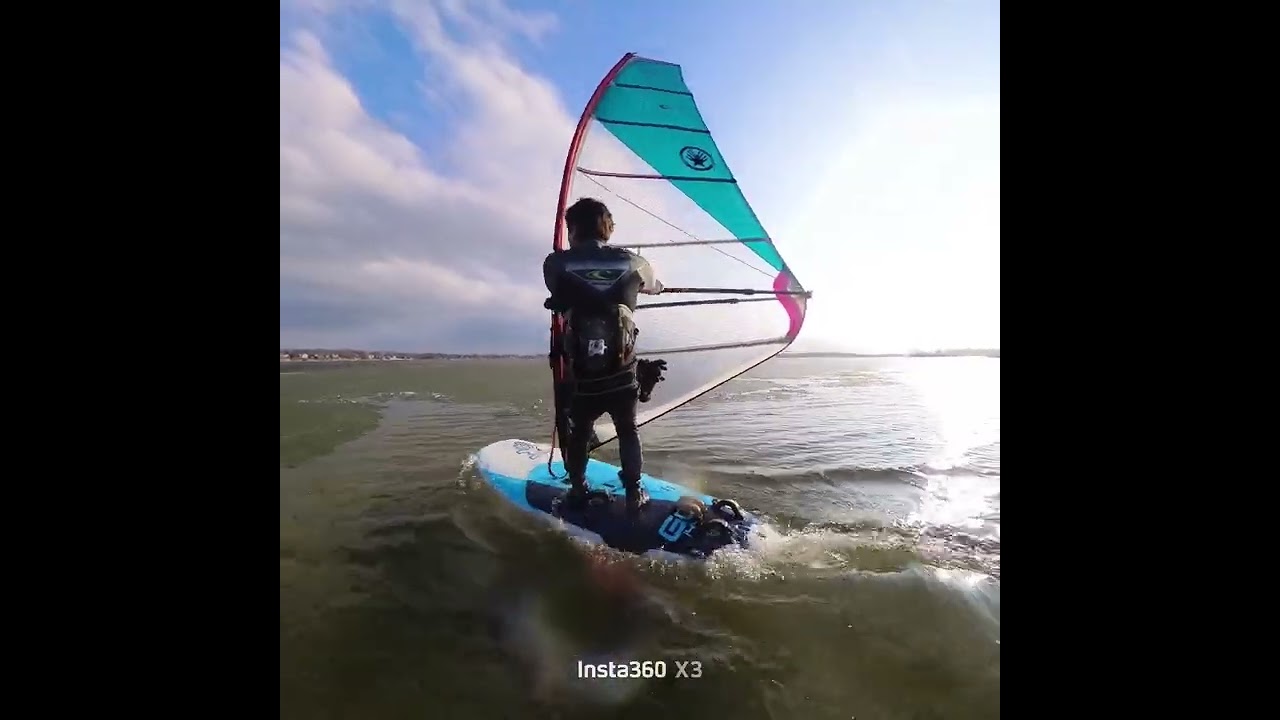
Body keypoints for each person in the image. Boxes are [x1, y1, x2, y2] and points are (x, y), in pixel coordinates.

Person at [543, 197, 668, 516]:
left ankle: (577, 488)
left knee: (580, 430)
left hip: (583, 377)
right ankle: (634, 491)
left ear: (572, 230)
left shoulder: (556, 263)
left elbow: (557, 291)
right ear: (608, 229)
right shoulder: (636, 263)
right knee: (628, 429)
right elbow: (654, 286)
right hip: (622, 371)